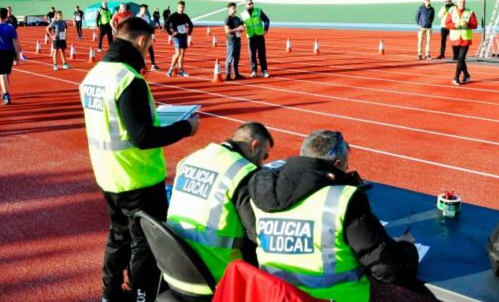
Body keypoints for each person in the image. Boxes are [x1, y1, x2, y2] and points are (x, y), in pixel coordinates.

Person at [79, 17, 199, 302]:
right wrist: (186, 128)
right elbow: (142, 137)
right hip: (139, 176)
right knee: (145, 243)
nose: (148, 52)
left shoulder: (95, 74)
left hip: (109, 173)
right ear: (141, 41)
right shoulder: (129, 79)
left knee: (118, 236)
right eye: (149, 45)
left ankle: (109, 293)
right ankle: (142, 296)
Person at [244, 130, 419, 301]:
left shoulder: (261, 192)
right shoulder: (343, 200)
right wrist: (406, 246)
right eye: (346, 166)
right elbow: (389, 268)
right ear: (336, 164)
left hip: (276, 296)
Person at [166, 122, 274, 298]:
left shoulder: (191, 159)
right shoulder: (243, 172)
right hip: (215, 277)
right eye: (265, 155)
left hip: (173, 267)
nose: (262, 163)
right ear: (255, 146)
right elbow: (257, 233)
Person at [445, 0, 478, 85]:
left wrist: (468, 24)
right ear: (457, 3)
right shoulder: (451, 11)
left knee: (460, 58)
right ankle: (467, 75)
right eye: (460, 2)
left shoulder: (470, 12)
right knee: (458, 58)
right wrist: (454, 25)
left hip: (465, 39)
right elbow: (447, 24)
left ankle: (456, 78)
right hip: (455, 39)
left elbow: (475, 25)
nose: (462, 4)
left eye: (463, 2)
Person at [239, 0, 270, 78]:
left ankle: (264, 71)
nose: (251, 5)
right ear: (245, 5)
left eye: (252, 3)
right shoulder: (243, 14)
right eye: (249, 4)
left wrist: (266, 29)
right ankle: (254, 71)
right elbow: (240, 25)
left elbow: (266, 20)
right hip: (251, 37)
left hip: (259, 35)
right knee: (252, 55)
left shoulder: (258, 10)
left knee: (262, 54)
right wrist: (239, 29)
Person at [164, 0, 193, 77]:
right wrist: (171, 34)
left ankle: (181, 70)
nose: (181, 9)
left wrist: (188, 33)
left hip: (183, 36)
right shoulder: (173, 15)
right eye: (180, 7)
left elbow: (191, 24)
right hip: (176, 36)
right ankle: (170, 69)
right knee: (178, 53)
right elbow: (166, 24)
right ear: (177, 7)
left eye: (183, 7)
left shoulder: (185, 16)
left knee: (182, 54)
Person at [224, 2, 245, 80]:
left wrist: (242, 29)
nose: (235, 9)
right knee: (229, 58)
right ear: (229, 9)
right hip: (231, 40)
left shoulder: (237, 18)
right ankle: (228, 75)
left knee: (236, 58)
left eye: (235, 8)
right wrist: (237, 29)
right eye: (233, 8)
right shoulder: (227, 18)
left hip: (238, 40)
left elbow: (241, 29)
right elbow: (227, 30)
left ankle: (236, 74)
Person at [135, 4, 160, 71]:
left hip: (147, 35)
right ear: (140, 9)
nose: (145, 10)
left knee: (150, 50)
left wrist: (153, 34)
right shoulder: (137, 17)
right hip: (140, 36)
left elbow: (149, 26)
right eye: (143, 9)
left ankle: (153, 65)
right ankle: (140, 65)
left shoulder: (146, 16)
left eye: (146, 9)